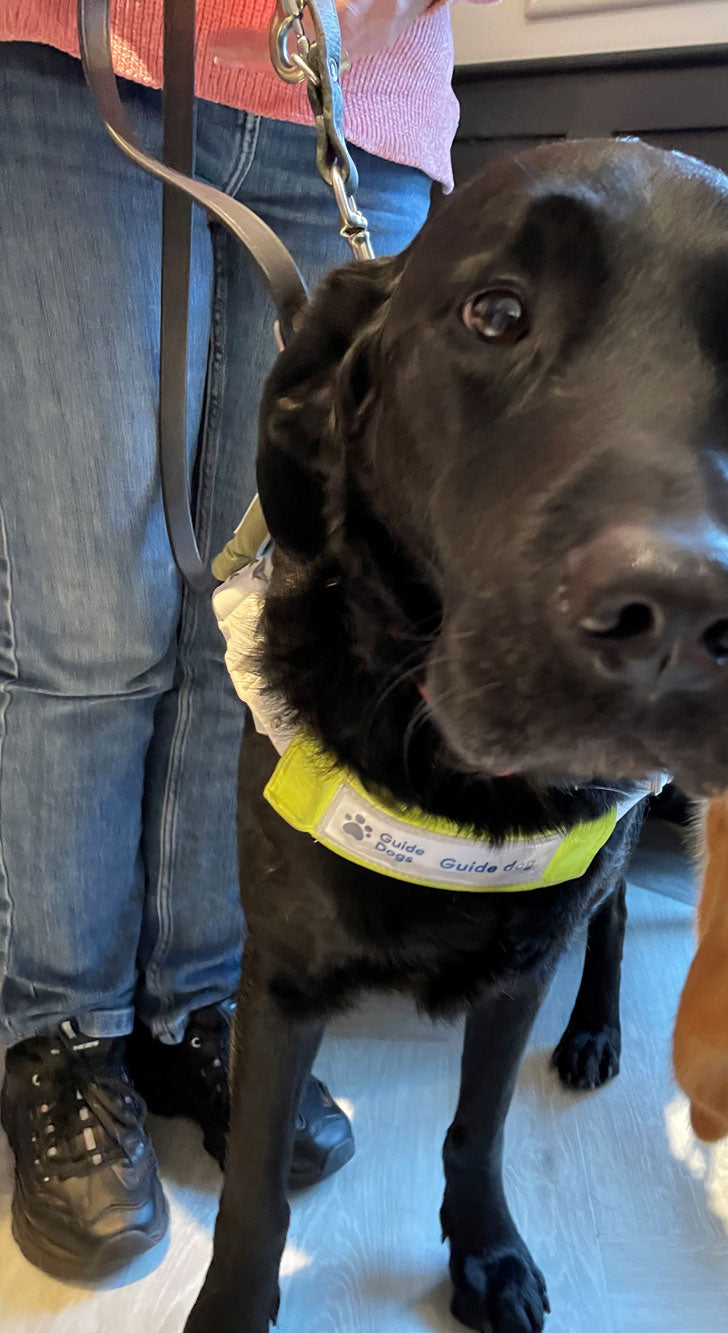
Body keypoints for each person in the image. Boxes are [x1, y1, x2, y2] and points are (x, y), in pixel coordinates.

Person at [0, 0, 483, 1281]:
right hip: (73, 60)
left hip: (356, 95)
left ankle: (202, 998)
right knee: (84, 615)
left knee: (267, 624)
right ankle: (61, 1025)